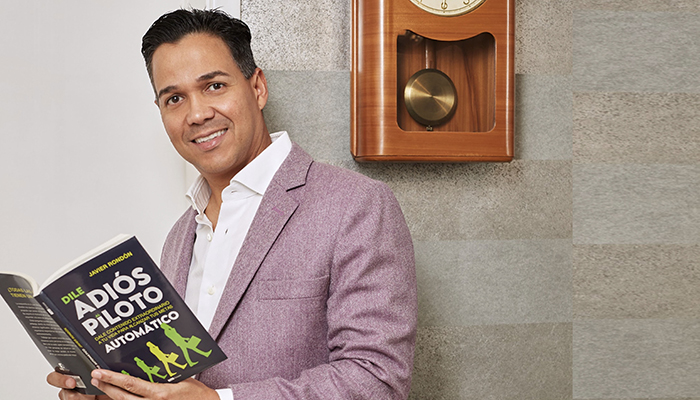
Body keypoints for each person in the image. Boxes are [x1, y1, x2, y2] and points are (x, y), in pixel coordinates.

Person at [47, 8, 416, 400]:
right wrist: (112, 392)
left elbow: (377, 380)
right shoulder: (180, 236)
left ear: (257, 88)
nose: (197, 114)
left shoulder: (356, 205)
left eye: (214, 86)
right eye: (175, 98)